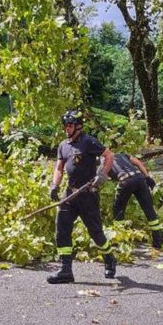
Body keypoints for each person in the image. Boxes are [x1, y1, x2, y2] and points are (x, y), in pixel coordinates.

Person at [47, 109, 116, 284]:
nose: (66, 129)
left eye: (69, 125)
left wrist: (102, 176)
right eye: (65, 126)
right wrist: (55, 185)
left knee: (96, 232)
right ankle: (65, 271)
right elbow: (59, 168)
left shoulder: (89, 142)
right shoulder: (63, 145)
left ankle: (109, 258)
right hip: (69, 194)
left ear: (78, 126)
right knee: (61, 229)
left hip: (88, 194)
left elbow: (109, 156)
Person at [108, 153, 163, 249]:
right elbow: (138, 162)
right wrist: (147, 177)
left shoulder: (104, 161)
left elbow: (102, 176)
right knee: (149, 209)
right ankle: (158, 241)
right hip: (140, 178)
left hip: (125, 181)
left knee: (118, 209)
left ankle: (119, 239)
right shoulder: (122, 155)